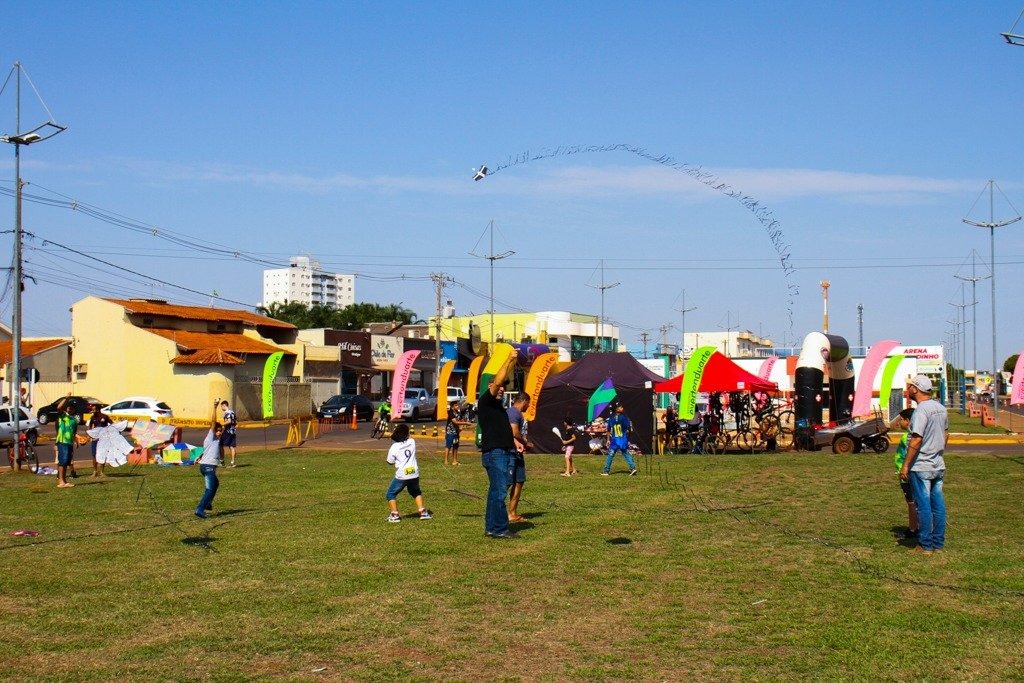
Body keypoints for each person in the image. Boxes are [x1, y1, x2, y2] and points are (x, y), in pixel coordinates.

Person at [899, 375, 949, 554]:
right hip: (937, 464)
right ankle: (938, 544)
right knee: (939, 505)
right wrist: (938, 452)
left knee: (924, 506)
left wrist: (905, 465)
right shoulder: (941, 408)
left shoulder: (921, 411)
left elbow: (916, 439)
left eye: (910, 386)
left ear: (916, 389)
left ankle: (925, 545)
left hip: (921, 466)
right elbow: (945, 435)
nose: (908, 389)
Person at [478, 356, 519, 539]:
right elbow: (499, 380)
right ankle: (500, 528)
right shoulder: (486, 401)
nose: (502, 388)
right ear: (490, 387)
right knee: (500, 491)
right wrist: (509, 359)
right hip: (496, 454)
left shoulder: (497, 408)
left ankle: (491, 527)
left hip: (499, 453)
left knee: (495, 491)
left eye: (504, 387)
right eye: (499, 386)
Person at [385, 423, 432, 522]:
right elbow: (408, 437)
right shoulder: (412, 442)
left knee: (390, 494)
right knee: (416, 492)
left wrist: (392, 436)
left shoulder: (394, 447)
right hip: (414, 473)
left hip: (402, 475)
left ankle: (394, 515)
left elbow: (390, 462)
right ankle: (423, 512)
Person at [890, 408, 919, 539]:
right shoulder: (913, 436)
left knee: (911, 502)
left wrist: (904, 469)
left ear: (908, 421)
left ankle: (913, 529)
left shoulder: (907, 438)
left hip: (906, 474)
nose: (899, 422)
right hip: (907, 472)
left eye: (901, 419)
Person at [195, 400, 224, 519]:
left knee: (215, 484)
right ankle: (200, 509)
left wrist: (200, 456)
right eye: (217, 431)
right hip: (208, 467)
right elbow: (213, 422)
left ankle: (208, 504)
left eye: (220, 431)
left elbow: (208, 450)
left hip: (206, 465)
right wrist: (215, 407)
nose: (219, 433)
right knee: (210, 488)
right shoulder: (211, 436)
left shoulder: (216, 441)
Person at [506, 392, 532, 523]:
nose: (529, 406)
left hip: (518, 454)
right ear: (524, 401)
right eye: (529, 403)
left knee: (519, 482)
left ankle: (512, 513)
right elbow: (514, 432)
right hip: (510, 453)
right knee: (507, 484)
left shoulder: (518, 414)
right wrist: (526, 443)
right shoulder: (513, 412)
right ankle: (496, 511)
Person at [602, 403, 637, 476]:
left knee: (611, 455)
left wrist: (608, 439)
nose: (622, 408)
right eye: (620, 407)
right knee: (626, 454)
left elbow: (608, 430)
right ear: (617, 409)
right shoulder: (624, 417)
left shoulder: (611, 418)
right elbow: (630, 428)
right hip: (622, 440)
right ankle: (632, 468)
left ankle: (606, 471)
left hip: (615, 440)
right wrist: (629, 436)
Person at [55, 403, 79, 488]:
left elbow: (74, 432)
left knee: (67, 462)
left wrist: (77, 440)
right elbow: (59, 407)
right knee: (63, 461)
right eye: (69, 408)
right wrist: (66, 398)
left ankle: (64, 481)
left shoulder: (74, 420)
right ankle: (61, 481)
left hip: (69, 442)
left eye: (72, 408)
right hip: (62, 441)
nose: (70, 410)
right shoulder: (63, 416)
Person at [87, 404, 112, 477]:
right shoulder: (92, 417)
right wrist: (90, 434)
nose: (92, 411)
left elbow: (112, 424)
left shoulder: (104, 416)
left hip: (103, 439)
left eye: (94, 409)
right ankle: (95, 471)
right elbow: (90, 426)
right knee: (94, 455)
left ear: (98, 410)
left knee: (102, 455)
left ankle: (102, 472)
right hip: (95, 439)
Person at [444, 400, 471, 466]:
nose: (457, 406)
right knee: (448, 446)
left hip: (456, 433)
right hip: (450, 432)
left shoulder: (458, 413)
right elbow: (455, 422)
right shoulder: (450, 413)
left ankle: (455, 461)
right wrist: (466, 423)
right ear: (452, 407)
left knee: (455, 446)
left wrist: (461, 427)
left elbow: (461, 420)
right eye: (456, 405)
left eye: (457, 405)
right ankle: (446, 461)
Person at [219, 400, 238, 467]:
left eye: (221, 406)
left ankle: (222, 461)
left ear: (224, 405)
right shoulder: (232, 412)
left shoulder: (227, 413)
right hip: (233, 432)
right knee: (232, 447)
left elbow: (229, 421)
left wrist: (222, 424)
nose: (221, 408)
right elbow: (236, 422)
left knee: (220, 445)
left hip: (227, 431)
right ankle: (233, 462)